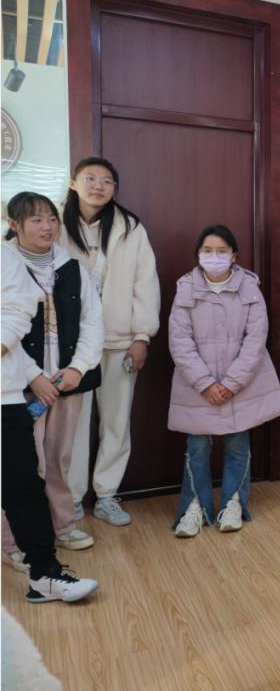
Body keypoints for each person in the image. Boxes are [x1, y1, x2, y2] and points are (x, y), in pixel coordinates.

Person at [1, 195, 103, 599]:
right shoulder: (9, 260)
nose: (46, 227)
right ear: (14, 224)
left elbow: (93, 321)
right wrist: (36, 376)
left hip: (66, 379)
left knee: (59, 457)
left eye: (51, 219)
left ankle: (62, 525)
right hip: (22, 384)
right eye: (36, 220)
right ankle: (13, 542)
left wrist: (76, 369)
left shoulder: (71, 267)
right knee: (24, 468)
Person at [168, 225, 280, 537]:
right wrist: (205, 383)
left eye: (222, 251)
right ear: (198, 255)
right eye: (207, 251)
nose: (214, 256)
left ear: (234, 256)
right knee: (196, 447)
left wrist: (231, 382)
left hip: (240, 385)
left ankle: (234, 503)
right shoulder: (186, 288)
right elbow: (179, 340)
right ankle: (194, 506)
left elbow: (256, 340)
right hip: (197, 386)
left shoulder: (249, 288)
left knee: (238, 444)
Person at [60, 156, 160, 527]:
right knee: (71, 425)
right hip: (72, 346)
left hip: (120, 341)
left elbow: (145, 284)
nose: (98, 186)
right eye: (90, 178)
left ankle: (106, 495)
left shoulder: (130, 228)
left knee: (116, 422)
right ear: (74, 183)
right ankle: (70, 498)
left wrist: (142, 336)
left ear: (115, 188)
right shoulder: (56, 224)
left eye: (106, 181)